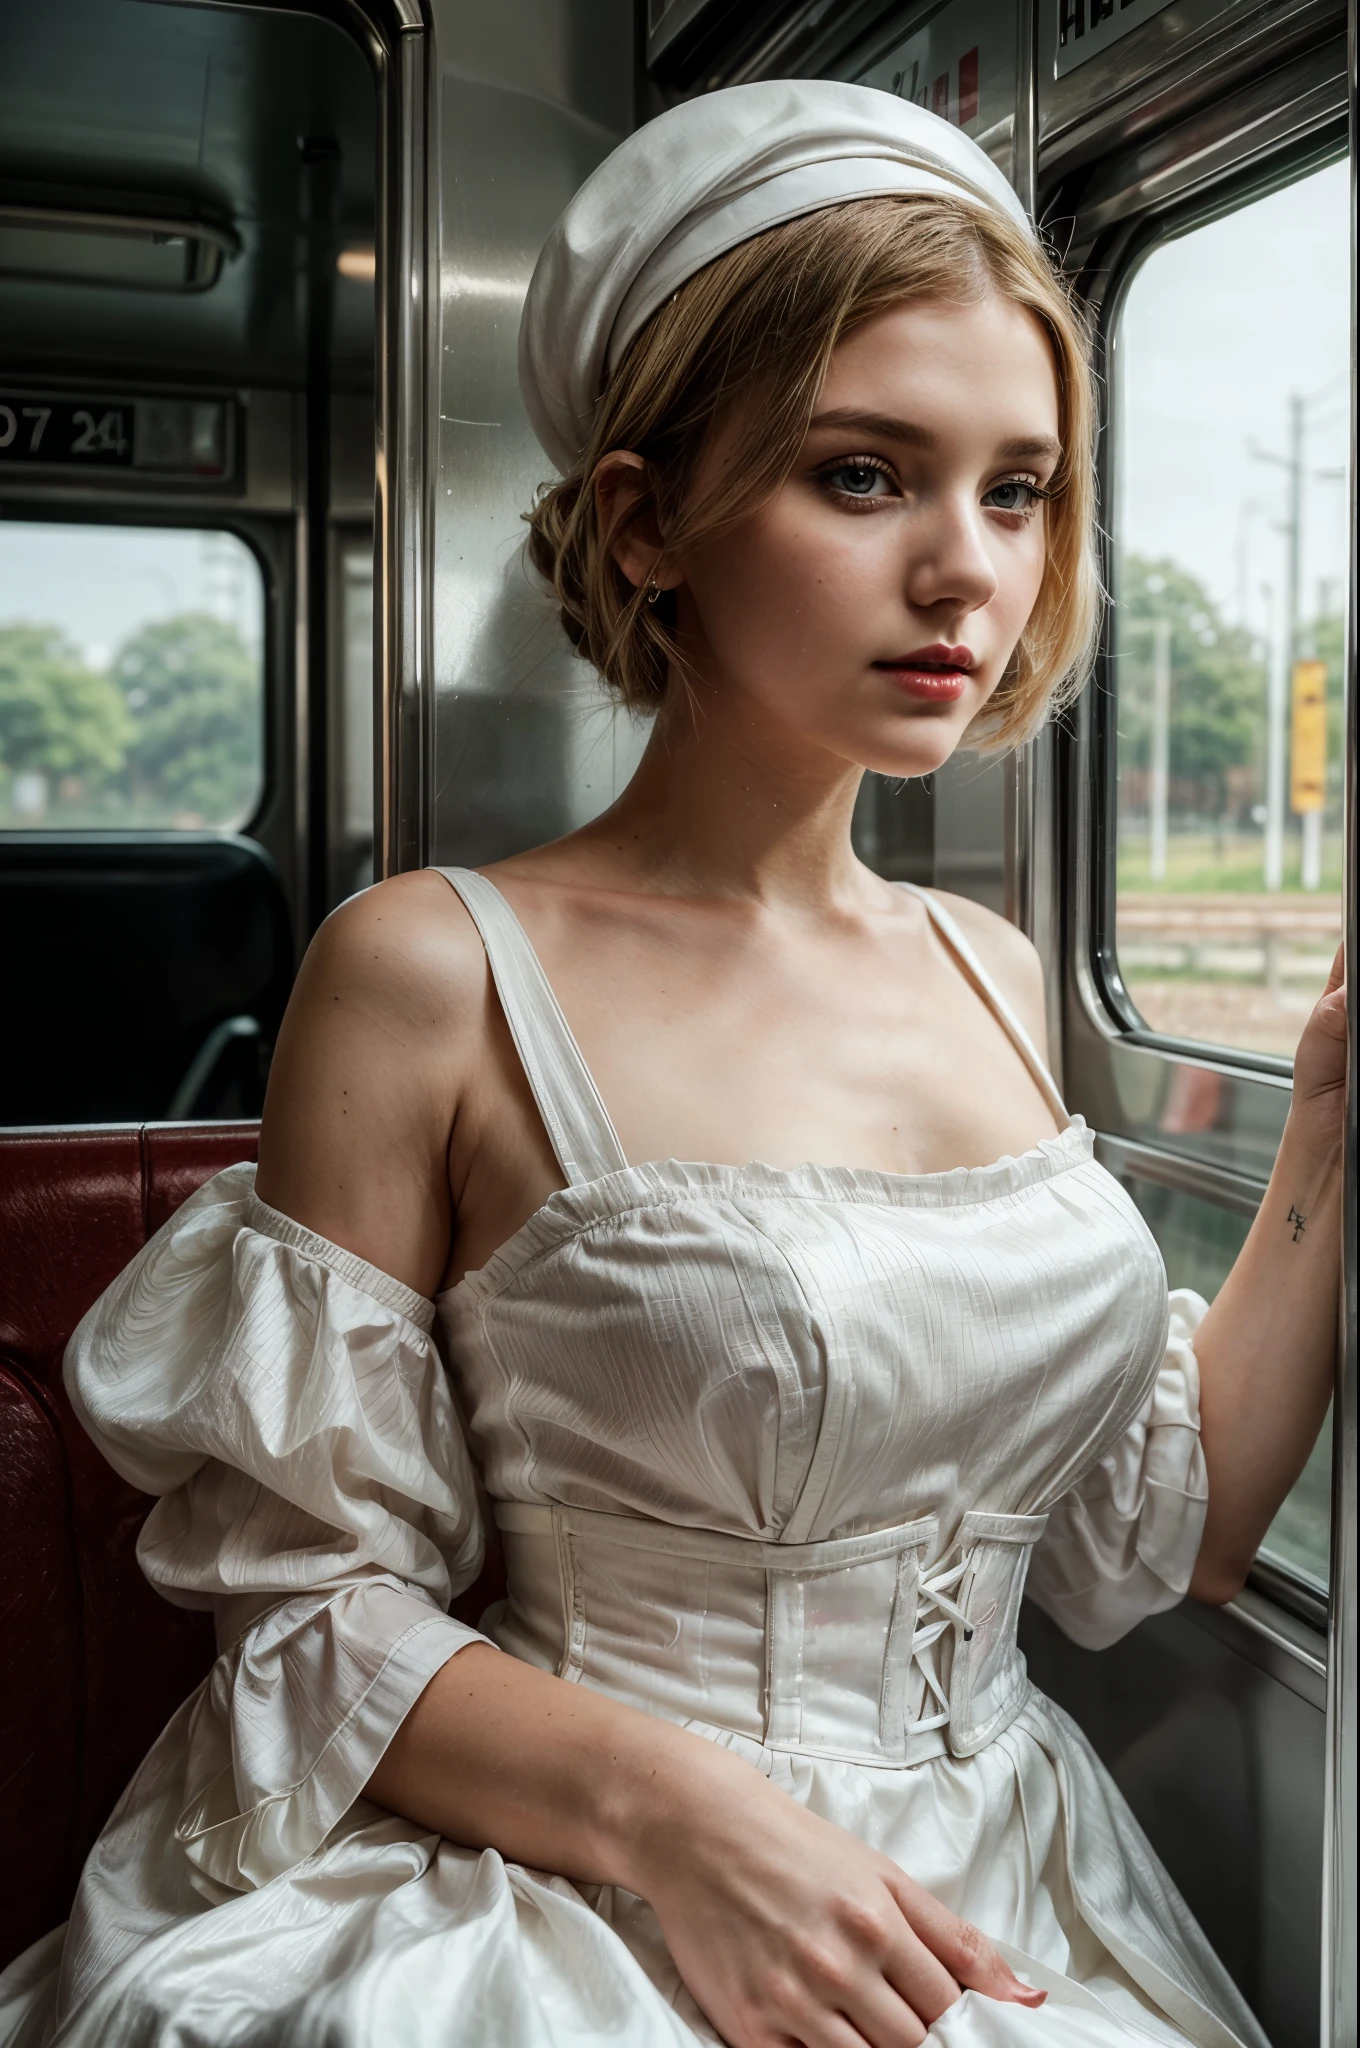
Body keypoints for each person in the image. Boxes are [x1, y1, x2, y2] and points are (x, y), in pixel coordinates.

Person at [0, 79, 1344, 2048]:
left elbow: (1164, 1528)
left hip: (1002, 1881)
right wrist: (689, 1816)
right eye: (863, 474)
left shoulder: (989, 963)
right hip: (573, 1884)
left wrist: (1319, 1114)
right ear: (647, 520)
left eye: (1016, 485)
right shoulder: (428, 972)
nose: (966, 568)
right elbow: (303, 1616)